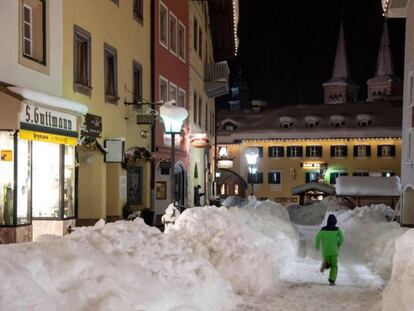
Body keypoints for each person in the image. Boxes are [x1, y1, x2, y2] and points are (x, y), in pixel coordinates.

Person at [315, 214, 344, 286]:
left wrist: (317, 245)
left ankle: (326, 264)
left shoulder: (322, 230)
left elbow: (317, 238)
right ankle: (332, 280)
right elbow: (342, 237)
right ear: (335, 222)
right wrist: (338, 244)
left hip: (326, 252)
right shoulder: (337, 230)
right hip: (334, 251)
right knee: (334, 266)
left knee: (329, 263)